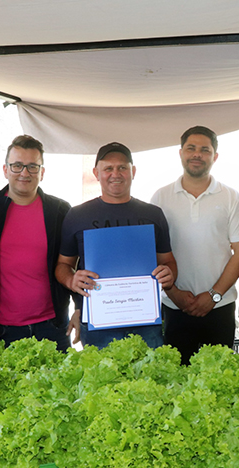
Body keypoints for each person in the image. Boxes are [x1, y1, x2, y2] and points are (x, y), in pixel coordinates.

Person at [56, 142, 176, 349]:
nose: (116, 174)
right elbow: (62, 265)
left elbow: (168, 262)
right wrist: (71, 280)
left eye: (122, 167)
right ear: (96, 173)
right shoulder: (77, 215)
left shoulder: (153, 214)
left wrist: (169, 274)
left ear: (133, 171)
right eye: (108, 168)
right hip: (97, 322)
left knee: (150, 379)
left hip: (145, 322)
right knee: (101, 380)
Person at [150, 126, 239, 364]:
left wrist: (213, 295)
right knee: (175, 378)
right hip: (174, 307)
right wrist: (174, 294)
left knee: (218, 381)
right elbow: (152, 253)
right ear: (180, 153)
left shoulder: (230, 197)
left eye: (204, 150)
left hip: (220, 307)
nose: (197, 154)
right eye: (191, 148)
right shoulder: (160, 198)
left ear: (214, 156)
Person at [0, 135, 73, 352]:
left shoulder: (60, 210)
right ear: (5, 169)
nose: (24, 173)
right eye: (17, 166)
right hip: (2, 329)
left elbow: (75, 261)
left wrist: (80, 307)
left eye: (32, 166)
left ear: (42, 172)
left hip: (53, 326)